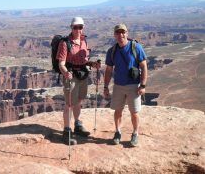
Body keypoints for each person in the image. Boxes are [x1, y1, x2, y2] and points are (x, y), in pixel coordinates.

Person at [56, 17, 100, 145]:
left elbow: (84, 59)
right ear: (71, 28)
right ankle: (66, 131)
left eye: (80, 27)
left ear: (83, 27)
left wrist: (92, 64)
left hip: (83, 75)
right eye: (75, 27)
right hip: (71, 76)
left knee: (78, 101)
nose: (78, 30)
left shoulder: (84, 41)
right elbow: (61, 63)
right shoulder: (65, 43)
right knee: (69, 104)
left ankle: (77, 125)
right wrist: (65, 73)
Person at [104, 23, 147, 147]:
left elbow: (144, 66)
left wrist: (143, 85)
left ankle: (135, 133)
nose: (120, 35)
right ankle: (117, 132)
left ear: (127, 33)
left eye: (123, 32)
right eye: (118, 33)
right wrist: (106, 87)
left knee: (134, 112)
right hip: (118, 85)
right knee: (118, 110)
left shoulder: (136, 47)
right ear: (114, 35)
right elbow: (108, 70)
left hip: (134, 85)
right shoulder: (112, 51)